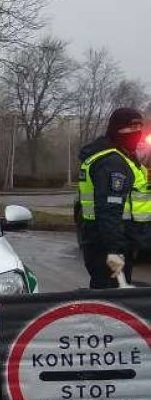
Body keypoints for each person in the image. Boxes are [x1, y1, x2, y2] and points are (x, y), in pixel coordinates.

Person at [77, 108, 147, 288]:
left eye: (140, 127)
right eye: (131, 128)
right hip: (106, 245)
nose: (136, 133)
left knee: (112, 302)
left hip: (109, 241)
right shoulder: (112, 162)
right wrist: (115, 251)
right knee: (111, 303)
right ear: (117, 129)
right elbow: (109, 210)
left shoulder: (121, 157)